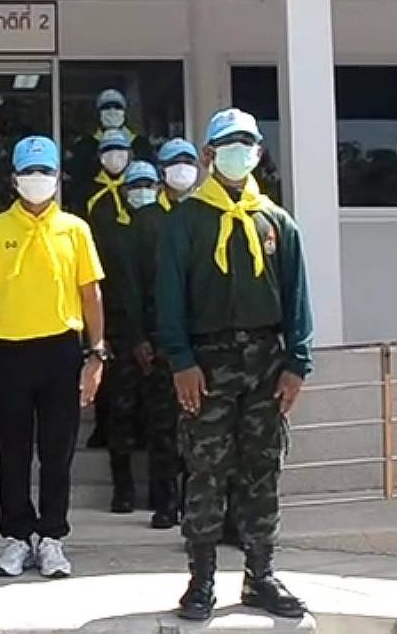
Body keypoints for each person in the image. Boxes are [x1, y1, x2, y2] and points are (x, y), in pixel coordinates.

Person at [156, 109, 314, 621]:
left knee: (262, 468)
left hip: (266, 362)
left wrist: (297, 363)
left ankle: (260, 574)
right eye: (228, 145)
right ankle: (201, 579)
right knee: (205, 468)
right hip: (207, 362)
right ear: (209, 154)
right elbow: (169, 299)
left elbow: (297, 300)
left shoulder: (276, 221)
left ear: (259, 153)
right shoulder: (186, 220)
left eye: (247, 144)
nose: (238, 153)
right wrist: (180, 361)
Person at [0, 136, 108, 580]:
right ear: (14, 179)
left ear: (58, 178)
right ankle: (16, 536)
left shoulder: (75, 229)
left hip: (61, 351)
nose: (37, 179)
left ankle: (51, 538)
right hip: (8, 352)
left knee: (57, 451)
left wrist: (97, 354)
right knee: (12, 451)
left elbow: (91, 293)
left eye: (44, 172)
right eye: (28, 172)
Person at [122, 161, 184, 529]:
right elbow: (131, 284)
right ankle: (165, 502)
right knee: (163, 426)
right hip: (161, 338)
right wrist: (139, 336)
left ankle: (194, 503)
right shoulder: (146, 223)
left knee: (195, 427)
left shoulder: (198, 216)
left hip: (195, 340)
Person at [82, 128, 137, 471]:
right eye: (109, 151)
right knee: (104, 361)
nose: (116, 157)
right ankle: (101, 425)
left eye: (121, 150)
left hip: (134, 295)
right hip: (103, 289)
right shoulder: (91, 197)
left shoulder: (138, 190)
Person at [156, 138, 200, 210]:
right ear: (161, 169)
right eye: (175, 162)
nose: (182, 168)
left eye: (188, 162)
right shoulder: (151, 210)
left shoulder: (207, 205)